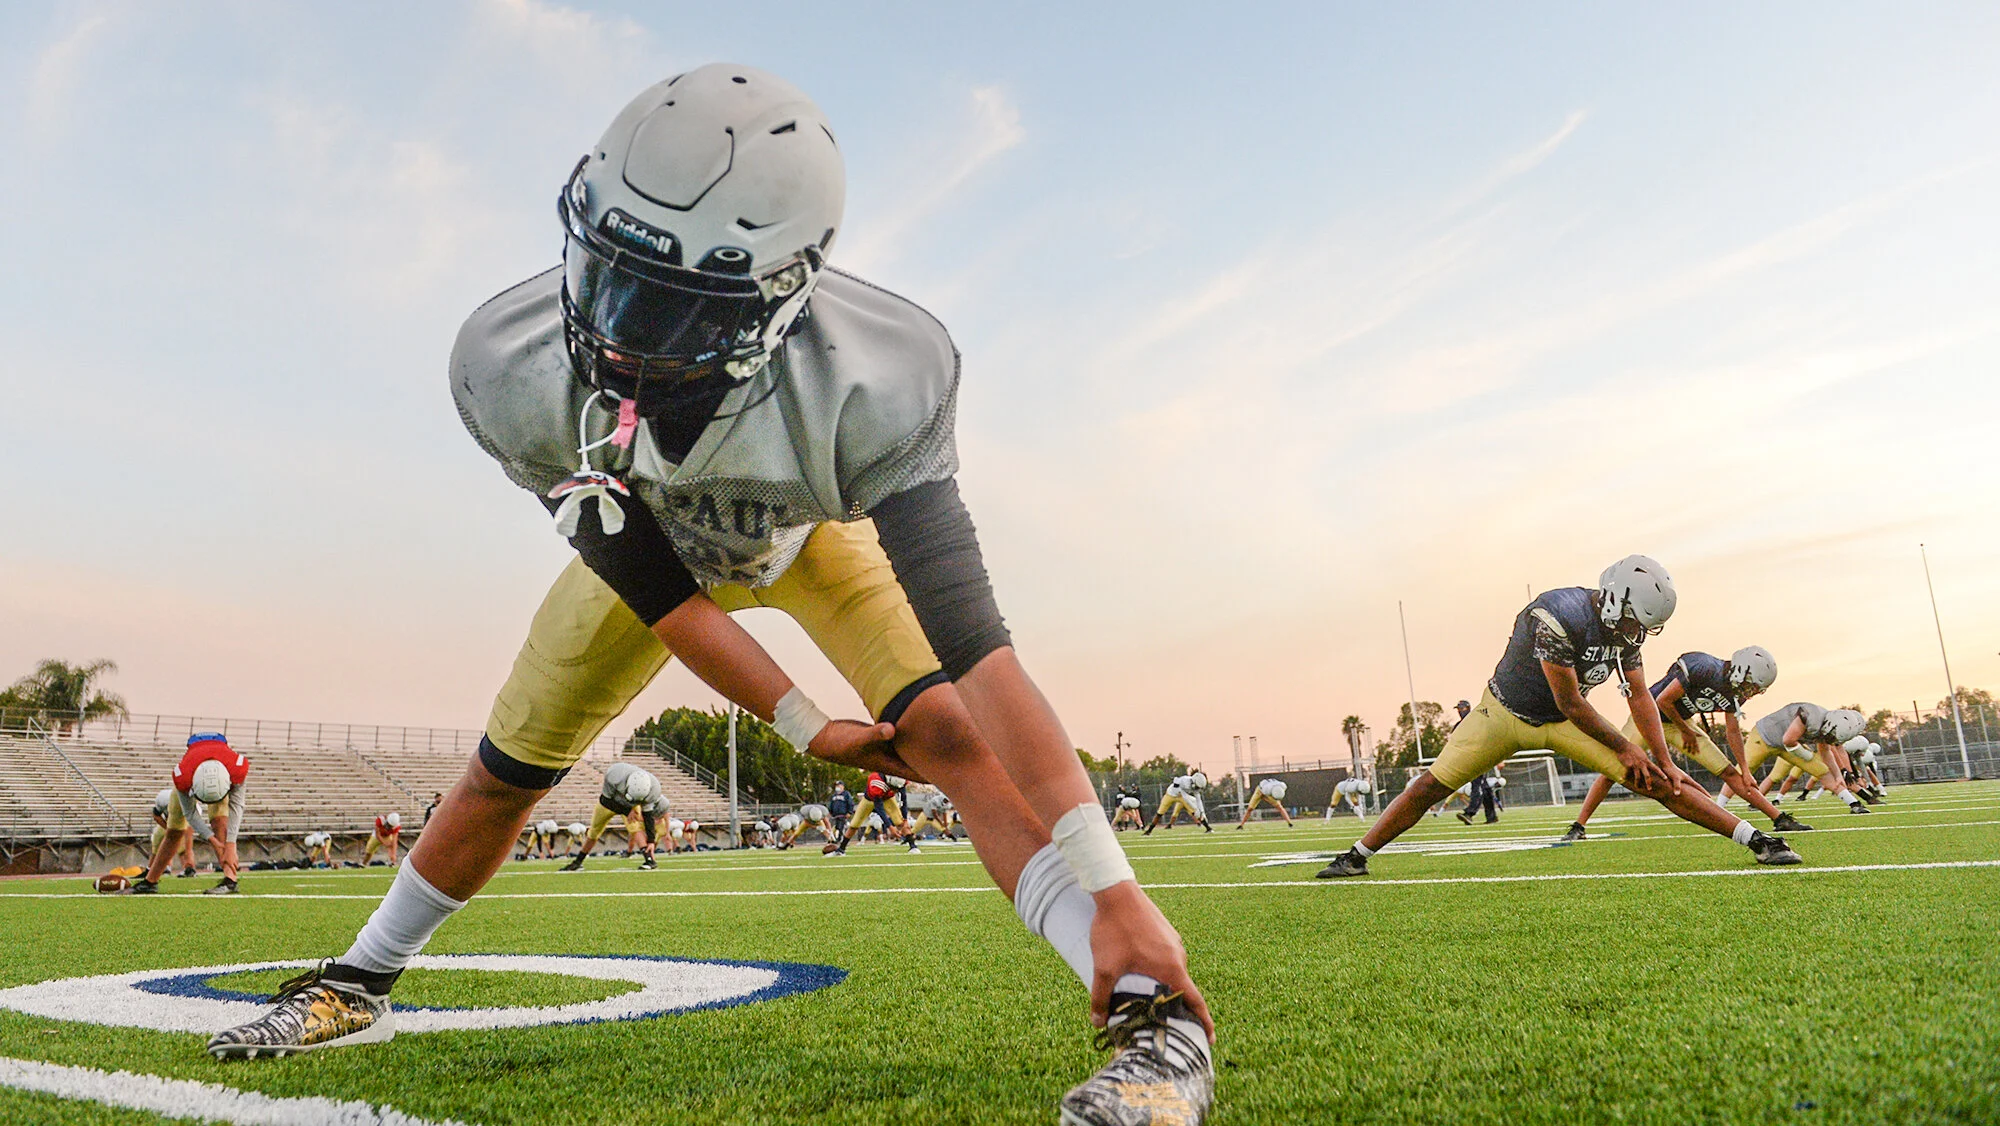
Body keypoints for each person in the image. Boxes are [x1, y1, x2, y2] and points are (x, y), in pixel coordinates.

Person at [206, 67, 1212, 1122]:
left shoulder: (876, 375)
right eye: (612, 273)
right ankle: (360, 979)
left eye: (680, 303)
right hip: (659, 557)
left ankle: (1155, 1018)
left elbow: (976, 646)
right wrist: (805, 725)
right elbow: (664, 594)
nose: (622, 329)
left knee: (953, 734)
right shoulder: (509, 366)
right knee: (501, 776)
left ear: (786, 292)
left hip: (811, 545)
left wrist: (1115, 888)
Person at [1317, 557, 1803, 879]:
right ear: (1614, 599)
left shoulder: (1626, 630)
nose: (1636, 633)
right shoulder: (1558, 614)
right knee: (1428, 787)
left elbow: (1639, 695)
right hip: (1503, 713)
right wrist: (1625, 747)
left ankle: (1758, 840)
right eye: (1633, 621)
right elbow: (1571, 702)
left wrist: (1663, 757)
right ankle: (1357, 855)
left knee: (1659, 781)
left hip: (1565, 722)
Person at [1563, 647, 1806, 841]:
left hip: (1681, 724)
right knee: (1614, 768)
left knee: (1731, 774)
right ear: (1741, 671)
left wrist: (1744, 767)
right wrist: (1686, 730)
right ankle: (1579, 825)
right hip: (1647, 719)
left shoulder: (1735, 691)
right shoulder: (1704, 667)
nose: (1750, 692)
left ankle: (1779, 818)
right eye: (1750, 685)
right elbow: (1663, 700)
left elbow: (1732, 730)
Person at [126, 733, 250, 896]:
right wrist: (213, 842)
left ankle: (230, 880)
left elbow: (236, 807)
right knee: (174, 831)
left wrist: (230, 845)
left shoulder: (237, 769)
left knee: (220, 821)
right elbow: (190, 813)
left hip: (221, 768)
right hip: (193, 769)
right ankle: (150, 882)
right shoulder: (183, 777)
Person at [1744, 704, 1873, 815]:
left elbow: (1827, 751)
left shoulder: (1830, 725)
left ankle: (1854, 803)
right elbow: (1789, 740)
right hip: (1768, 739)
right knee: (1743, 773)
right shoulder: (1813, 717)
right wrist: (1808, 756)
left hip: (1792, 747)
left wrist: (1839, 774)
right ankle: (1740, 807)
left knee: (1822, 771)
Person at [562, 763, 670, 870]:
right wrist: (627, 811)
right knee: (594, 831)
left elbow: (647, 815)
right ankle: (578, 861)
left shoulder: (654, 789)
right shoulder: (615, 775)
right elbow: (605, 801)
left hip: (631, 807)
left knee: (635, 828)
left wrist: (651, 841)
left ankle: (649, 860)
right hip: (611, 803)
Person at [828, 773, 920, 854]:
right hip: (869, 800)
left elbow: (903, 799)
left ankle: (913, 846)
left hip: (888, 798)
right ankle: (841, 849)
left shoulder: (900, 780)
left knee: (900, 822)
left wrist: (905, 819)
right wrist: (890, 827)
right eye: (894, 788)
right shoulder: (876, 783)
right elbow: (879, 808)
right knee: (854, 825)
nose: (896, 791)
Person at [149, 787, 198, 877]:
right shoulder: (162, 799)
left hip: (186, 819)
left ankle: (189, 868)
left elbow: (189, 829)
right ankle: (152, 868)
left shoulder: (190, 806)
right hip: (168, 821)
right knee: (158, 840)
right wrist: (168, 829)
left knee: (185, 845)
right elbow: (156, 816)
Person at [1143, 772, 1211, 834]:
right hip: (1171, 794)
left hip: (1181, 796)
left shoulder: (1194, 784)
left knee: (1195, 812)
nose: (1197, 788)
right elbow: (1186, 798)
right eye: (1197, 787)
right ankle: (1149, 831)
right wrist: (1196, 808)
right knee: (1159, 813)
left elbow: (1198, 800)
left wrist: (1202, 812)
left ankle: (1208, 828)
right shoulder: (1184, 781)